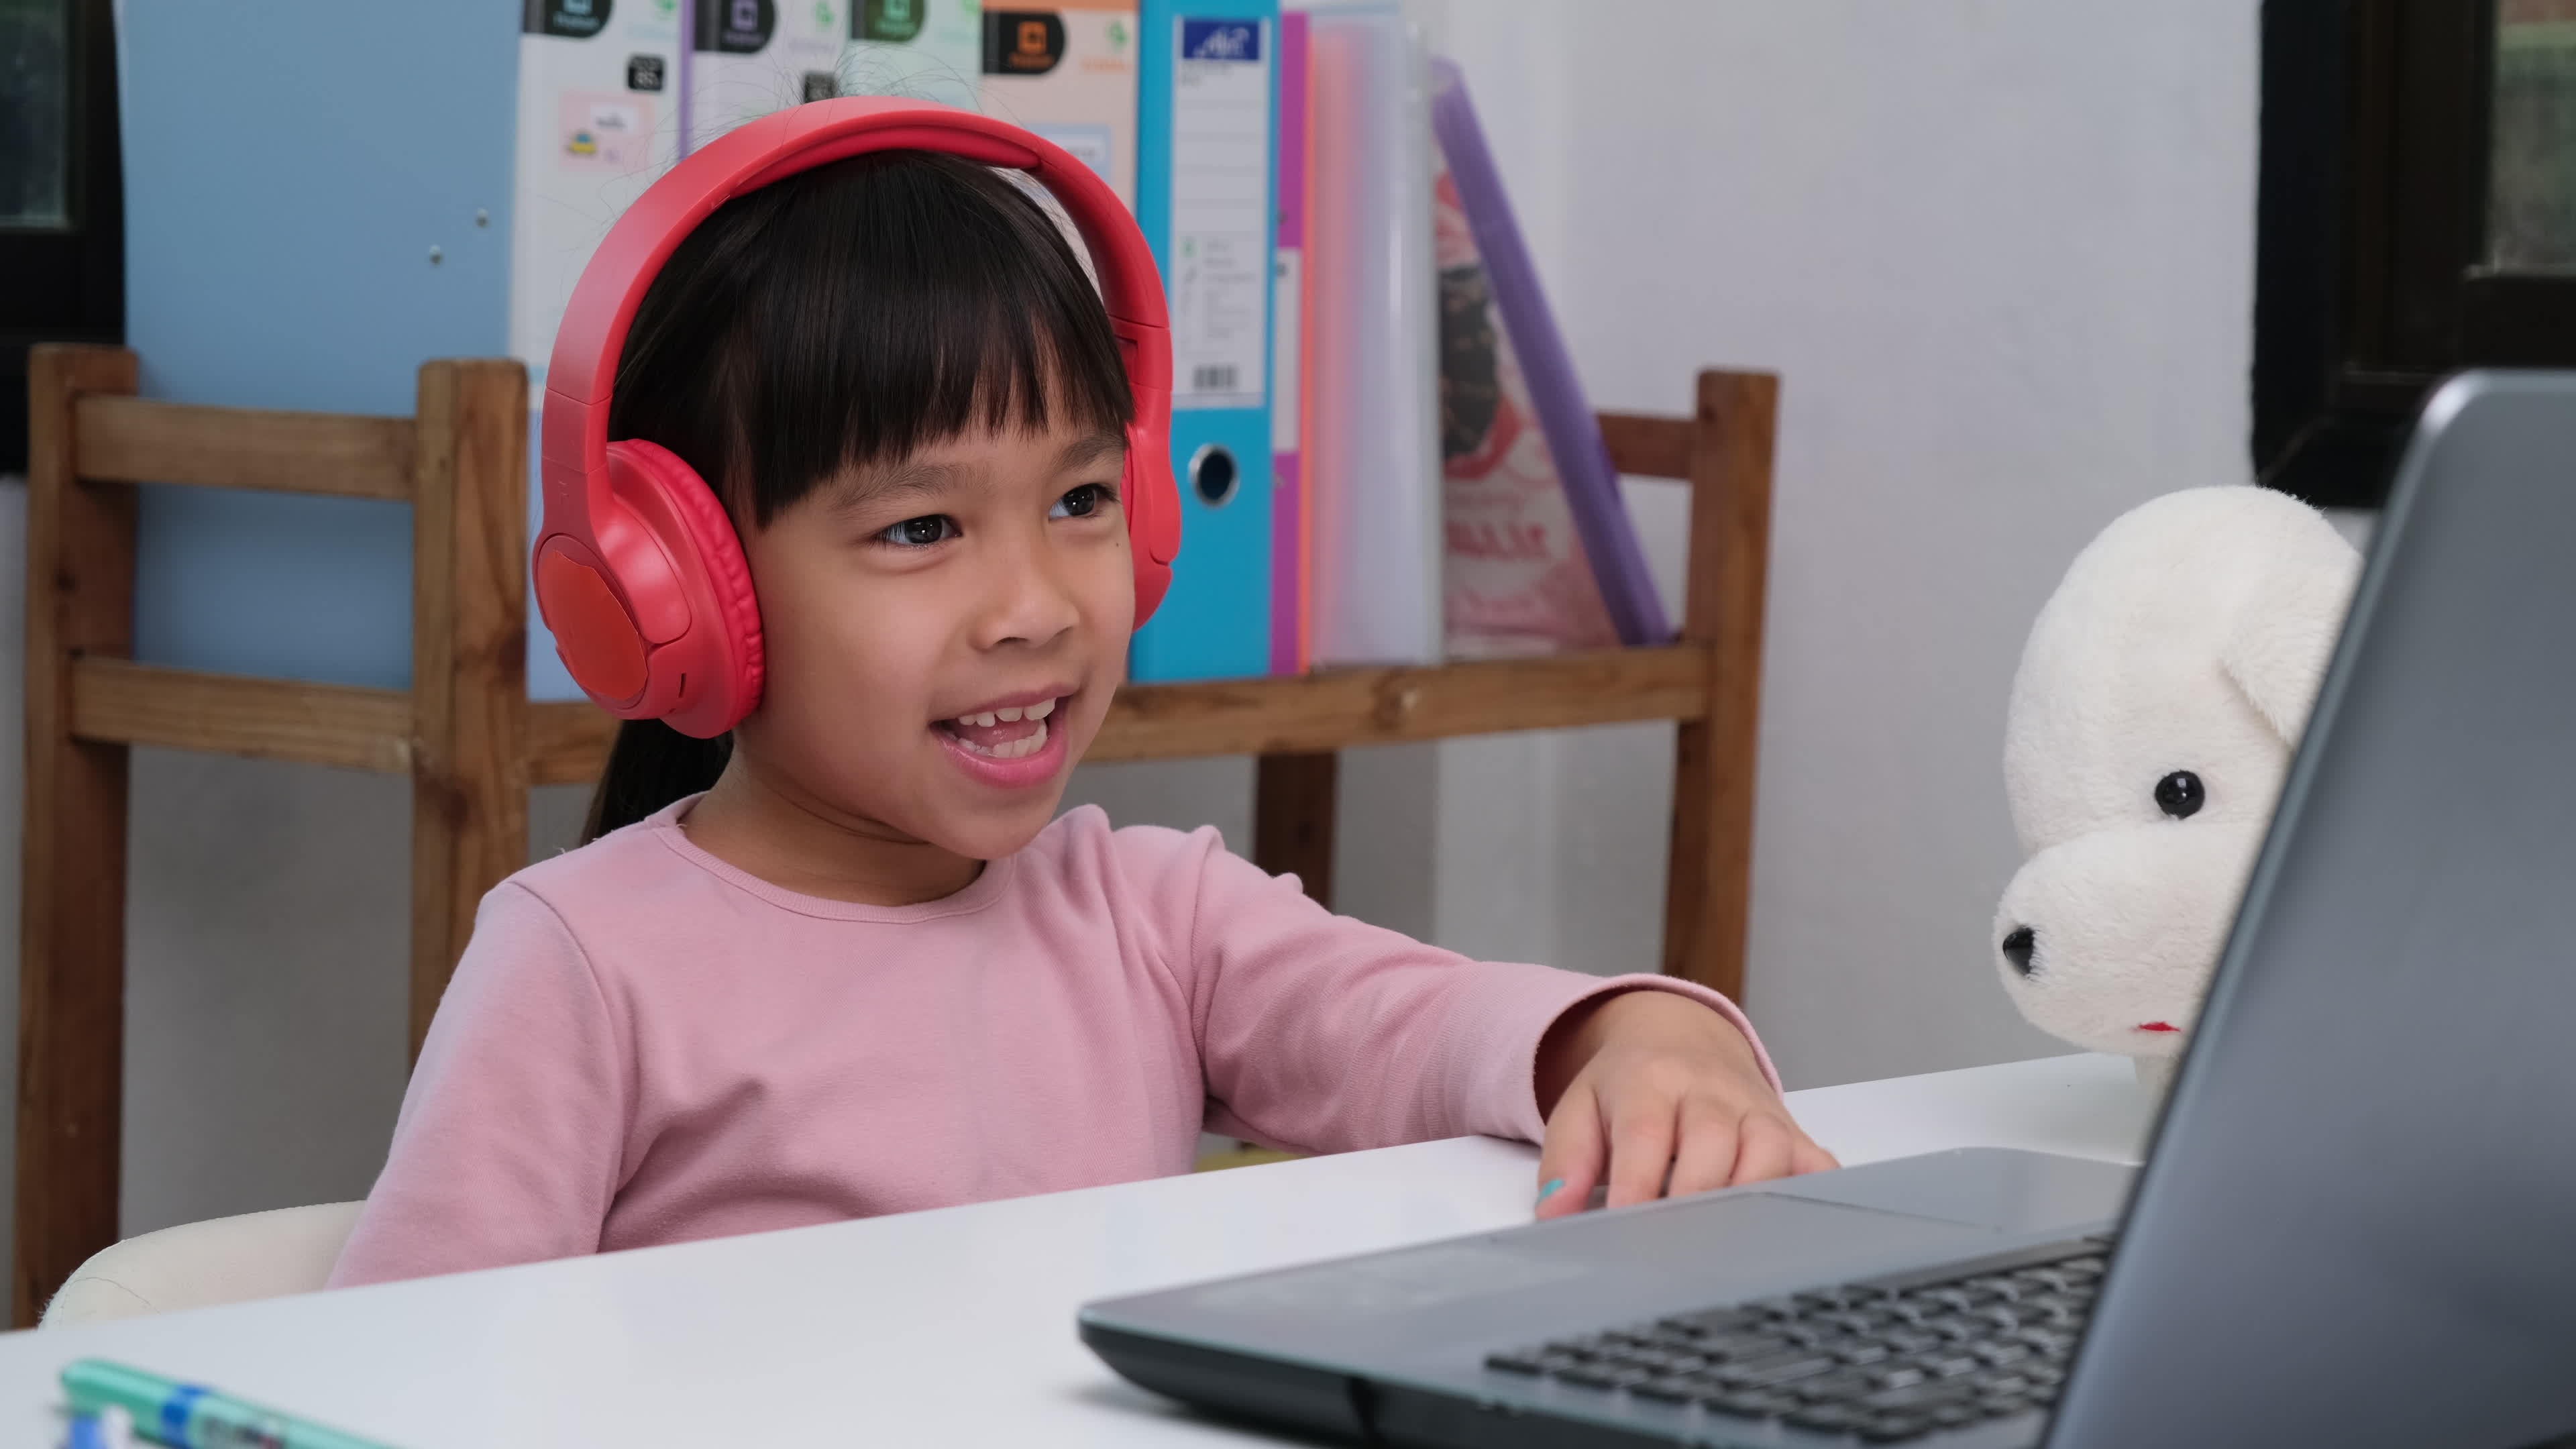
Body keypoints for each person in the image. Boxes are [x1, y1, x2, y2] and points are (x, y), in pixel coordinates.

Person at [329, 146, 1833, 1289]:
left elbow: (1424, 1029)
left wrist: (1636, 1037)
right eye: (921, 529)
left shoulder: (1156, 917)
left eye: (1082, 499)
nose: (1037, 603)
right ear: (688, 587)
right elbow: (395, 1381)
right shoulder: (583, 964)